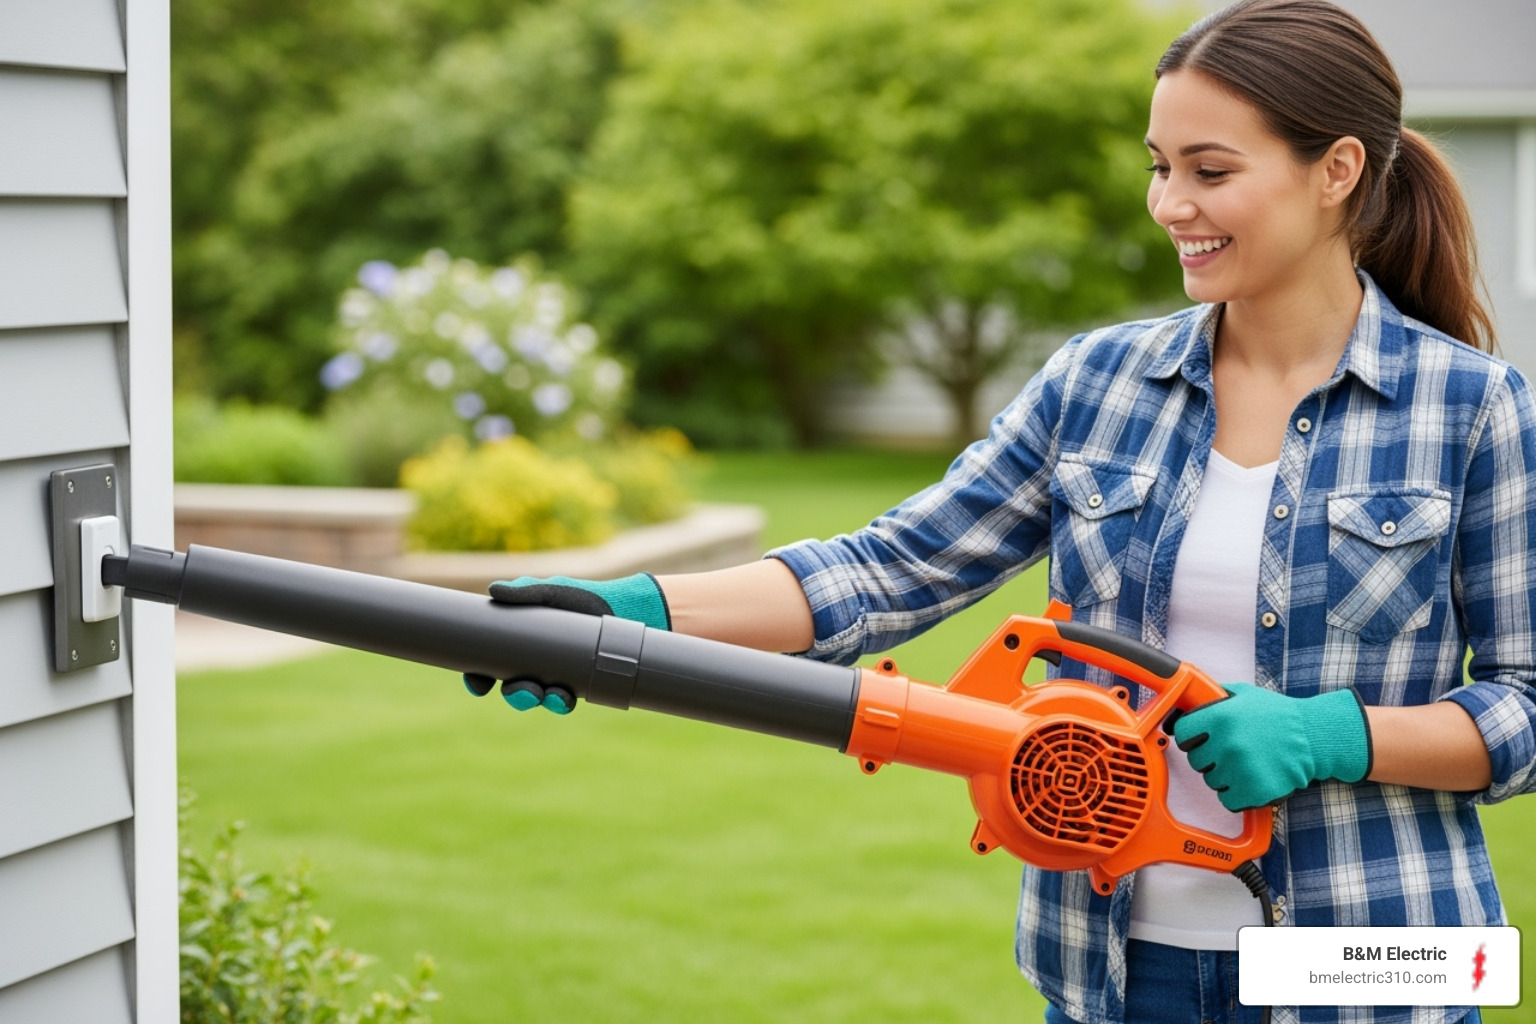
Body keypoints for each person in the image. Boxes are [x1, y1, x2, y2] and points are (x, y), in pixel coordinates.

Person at [471, 2, 1531, 1022]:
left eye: (1212, 172)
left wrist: (1332, 734)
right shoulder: (1100, 384)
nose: (1171, 205)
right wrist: (634, 612)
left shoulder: (1474, 409)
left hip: (1371, 971)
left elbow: (1530, 704)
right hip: (1116, 970)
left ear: (1337, 171)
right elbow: (892, 566)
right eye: (1161, 169)